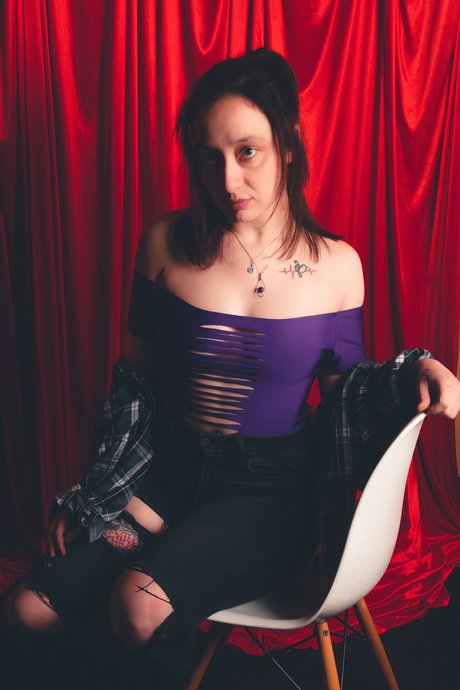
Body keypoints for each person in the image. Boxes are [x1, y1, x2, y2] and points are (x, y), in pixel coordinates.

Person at [5, 48, 460, 688]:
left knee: (136, 605)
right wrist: (97, 491)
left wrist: (419, 369)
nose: (228, 180)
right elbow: (133, 389)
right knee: (28, 610)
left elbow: (346, 396)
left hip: (269, 492)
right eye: (209, 157)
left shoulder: (337, 266)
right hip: (169, 476)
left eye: (248, 152)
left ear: (288, 145)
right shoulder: (163, 242)